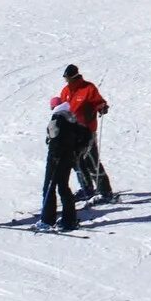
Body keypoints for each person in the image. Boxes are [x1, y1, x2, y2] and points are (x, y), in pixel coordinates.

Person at [59, 65, 115, 203]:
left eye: (68, 78)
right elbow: (62, 107)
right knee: (76, 161)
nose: (66, 81)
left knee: (91, 159)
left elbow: (98, 101)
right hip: (71, 131)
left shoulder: (88, 88)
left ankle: (105, 191)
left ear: (74, 76)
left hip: (87, 130)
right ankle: (86, 188)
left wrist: (101, 107)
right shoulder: (66, 91)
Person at [39, 99, 89, 232]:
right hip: (68, 157)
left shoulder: (58, 118)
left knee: (49, 187)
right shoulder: (70, 117)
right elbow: (85, 134)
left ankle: (47, 220)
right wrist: (76, 150)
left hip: (57, 158)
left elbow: (56, 139)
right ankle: (69, 220)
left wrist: (55, 154)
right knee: (63, 187)